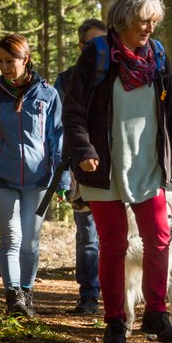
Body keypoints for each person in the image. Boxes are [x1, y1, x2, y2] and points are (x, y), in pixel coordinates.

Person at [63, 0, 172, 343]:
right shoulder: (97, 55)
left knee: (159, 235)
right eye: (143, 21)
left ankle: (155, 312)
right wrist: (83, 150)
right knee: (113, 243)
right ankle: (115, 320)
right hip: (102, 165)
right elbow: (73, 110)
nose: (150, 27)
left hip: (148, 165)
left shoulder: (158, 56)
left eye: (154, 21)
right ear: (123, 21)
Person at [0, 34, 69, 317]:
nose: (4, 67)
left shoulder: (48, 95)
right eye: (0, 61)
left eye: (9, 61)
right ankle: (13, 298)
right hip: (0, 179)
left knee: (30, 241)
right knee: (11, 238)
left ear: (25, 59)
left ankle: (27, 292)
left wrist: (62, 182)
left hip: (39, 181)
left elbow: (57, 141)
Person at [54, 18, 106, 315]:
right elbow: (62, 129)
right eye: (90, 45)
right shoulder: (66, 80)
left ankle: (120, 297)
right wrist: (65, 173)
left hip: (117, 169)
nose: (97, 51)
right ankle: (88, 295)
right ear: (80, 47)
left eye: (102, 44)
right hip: (80, 169)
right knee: (87, 234)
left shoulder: (119, 74)